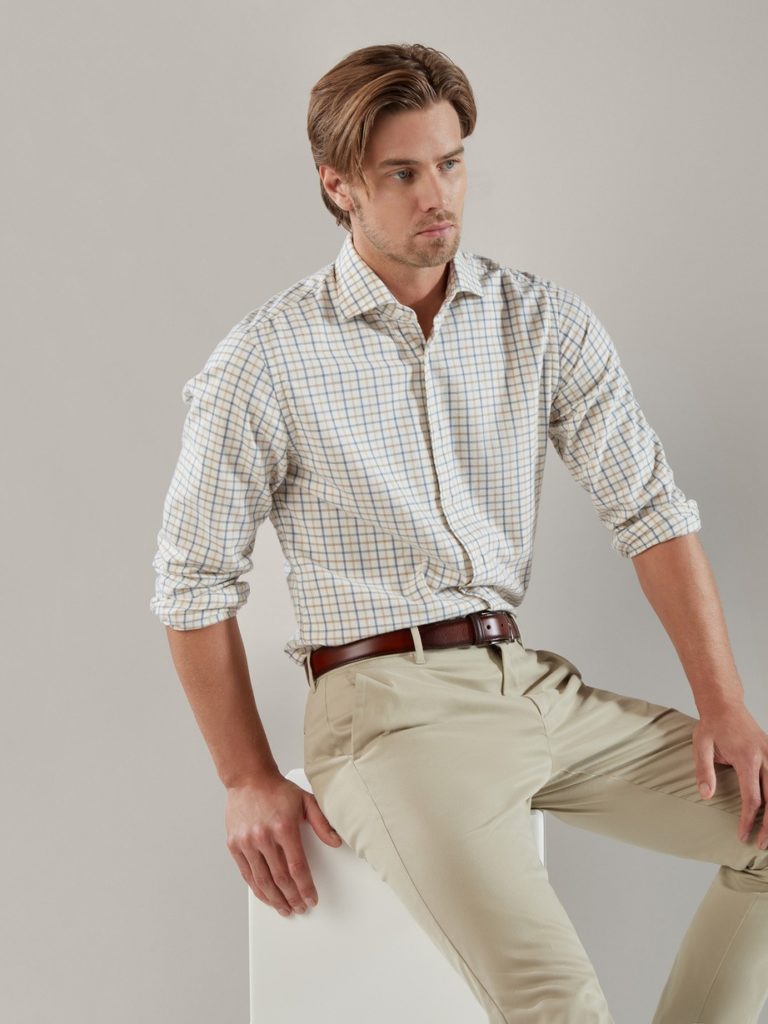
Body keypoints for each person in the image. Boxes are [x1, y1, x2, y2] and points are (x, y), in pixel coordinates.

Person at [150, 42, 768, 1023]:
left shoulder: (540, 322)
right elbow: (191, 584)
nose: (437, 194)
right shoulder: (266, 360)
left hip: (525, 684)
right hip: (387, 716)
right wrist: (246, 777)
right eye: (402, 172)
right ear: (338, 185)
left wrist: (723, 703)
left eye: (451, 161)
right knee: (558, 1000)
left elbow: (651, 511)